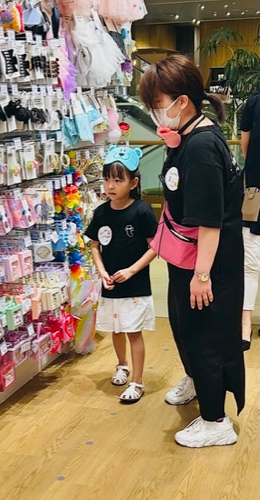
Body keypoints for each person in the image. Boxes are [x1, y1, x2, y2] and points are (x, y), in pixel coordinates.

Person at [139, 54, 245, 448]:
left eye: (157, 103)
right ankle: (197, 380)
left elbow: (210, 222)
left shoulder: (201, 146)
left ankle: (216, 421)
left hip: (207, 261)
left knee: (206, 335)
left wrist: (202, 275)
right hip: (185, 254)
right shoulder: (187, 136)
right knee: (185, 326)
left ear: (181, 101)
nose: (154, 111)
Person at [85, 146, 157, 404]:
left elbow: (155, 247)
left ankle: (137, 382)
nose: (110, 186)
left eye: (118, 180)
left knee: (133, 332)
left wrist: (132, 270)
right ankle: (121, 365)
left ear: (133, 182)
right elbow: (95, 245)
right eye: (107, 179)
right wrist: (102, 272)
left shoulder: (142, 211)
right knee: (116, 329)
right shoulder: (101, 212)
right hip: (111, 285)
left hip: (135, 285)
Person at [240, 91, 260, 349]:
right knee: (250, 262)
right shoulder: (254, 102)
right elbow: (247, 149)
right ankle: (245, 323)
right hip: (256, 193)